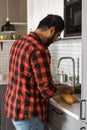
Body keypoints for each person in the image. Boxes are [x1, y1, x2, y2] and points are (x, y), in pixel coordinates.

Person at [4, 14, 74, 130]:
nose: (55, 40)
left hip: (15, 108)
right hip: (29, 114)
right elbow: (47, 91)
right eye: (57, 35)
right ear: (51, 30)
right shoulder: (39, 50)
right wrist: (65, 88)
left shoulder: (19, 41)